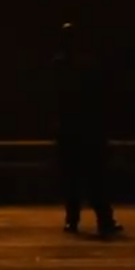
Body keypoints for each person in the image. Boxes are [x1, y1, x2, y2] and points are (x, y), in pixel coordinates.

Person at [53, 25, 121, 236]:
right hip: (82, 129)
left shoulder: (65, 66)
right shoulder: (83, 65)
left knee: (80, 178)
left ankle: (81, 220)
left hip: (76, 129)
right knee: (90, 177)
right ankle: (99, 219)